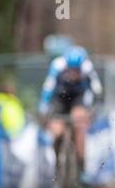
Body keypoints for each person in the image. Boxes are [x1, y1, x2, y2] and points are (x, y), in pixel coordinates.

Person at [38, 45, 103, 177]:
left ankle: (81, 165)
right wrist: (44, 105)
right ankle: (56, 166)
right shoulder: (57, 66)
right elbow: (48, 88)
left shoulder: (87, 67)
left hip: (77, 98)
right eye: (70, 71)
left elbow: (96, 90)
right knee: (56, 131)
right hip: (59, 99)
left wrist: (93, 107)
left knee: (79, 125)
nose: (73, 74)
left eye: (76, 71)